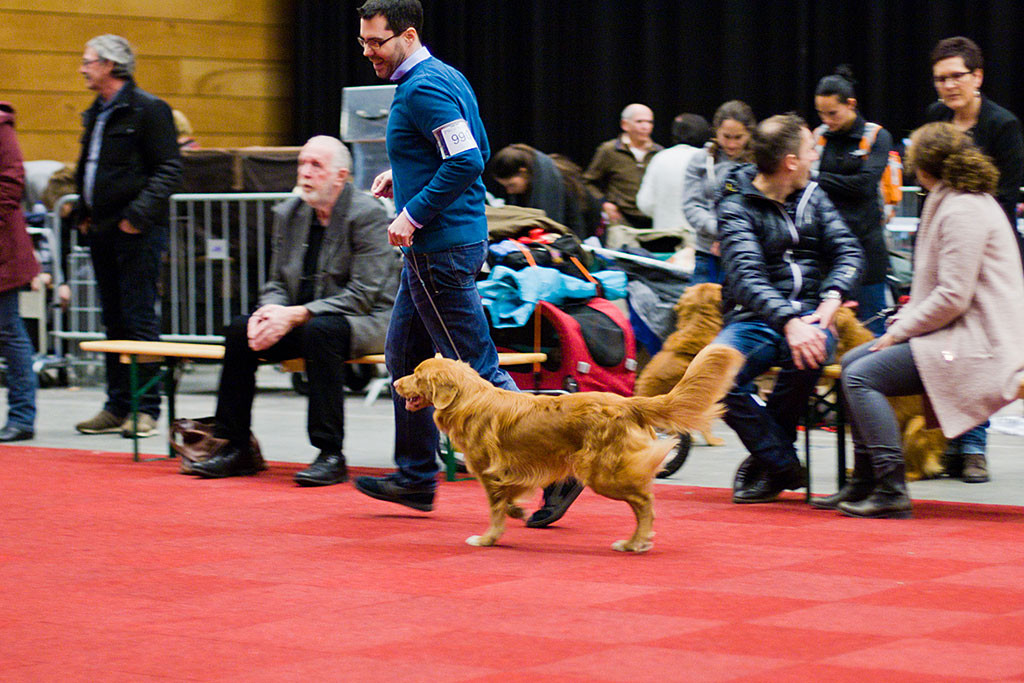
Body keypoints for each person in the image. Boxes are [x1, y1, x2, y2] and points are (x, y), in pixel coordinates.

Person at [351, 0, 519, 512]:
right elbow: (474, 149)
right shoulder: (444, 76)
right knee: (404, 357)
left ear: (406, 35)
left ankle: (554, 467)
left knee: (478, 371)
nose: (368, 52)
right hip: (447, 244)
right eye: (363, 42)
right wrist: (401, 180)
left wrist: (413, 211)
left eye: (376, 42)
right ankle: (417, 476)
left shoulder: (422, 88)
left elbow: (466, 159)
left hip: (439, 249)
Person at [818, 122, 1024, 518]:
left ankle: (892, 489)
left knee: (862, 377)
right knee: (851, 365)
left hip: (980, 343)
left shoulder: (963, 207)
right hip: (959, 333)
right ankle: (862, 482)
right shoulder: (955, 199)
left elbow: (952, 296)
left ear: (925, 168)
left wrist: (898, 332)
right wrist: (900, 327)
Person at [188, 136, 398, 484]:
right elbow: (277, 283)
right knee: (240, 331)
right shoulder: (291, 212)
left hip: (368, 319)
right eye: (302, 163)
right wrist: (270, 311)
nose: (305, 172)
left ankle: (330, 453)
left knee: (322, 332)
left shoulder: (367, 214)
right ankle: (235, 446)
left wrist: (296, 314)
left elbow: (364, 294)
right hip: (307, 317)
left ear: (340, 176)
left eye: (316, 165)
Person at [713, 114, 864, 504]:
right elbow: (747, 278)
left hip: (815, 315)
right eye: (809, 149)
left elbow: (849, 251)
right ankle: (783, 464)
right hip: (755, 319)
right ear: (790, 162)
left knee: (808, 355)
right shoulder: (734, 204)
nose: (816, 156)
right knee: (715, 379)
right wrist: (788, 321)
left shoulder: (814, 195)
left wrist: (831, 299)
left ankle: (767, 462)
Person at [71, 35, 182, 439]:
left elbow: (169, 169)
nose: (82, 68)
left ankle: (146, 408)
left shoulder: (149, 110)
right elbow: (91, 167)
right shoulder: (96, 113)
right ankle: (117, 405)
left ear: (109, 65)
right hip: (102, 231)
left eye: (88, 62)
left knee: (139, 320)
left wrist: (136, 218)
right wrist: (83, 212)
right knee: (113, 320)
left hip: (136, 233)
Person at [925, 36, 1024, 482]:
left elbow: (1004, 197)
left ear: (977, 77)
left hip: (988, 255)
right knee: (941, 350)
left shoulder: (1003, 126)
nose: (947, 86)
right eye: (940, 79)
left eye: (955, 77)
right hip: (943, 248)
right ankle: (945, 442)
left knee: (978, 353)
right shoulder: (934, 119)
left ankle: (975, 448)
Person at [813, 66, 894, 336]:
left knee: (873, 325)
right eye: (821, 114)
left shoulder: (876, 136)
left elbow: (864, 185)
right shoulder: (818, 137)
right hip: (827, 250)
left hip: (868, 246)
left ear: (851, 104)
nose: (827, 120)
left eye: (832, 113)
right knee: (825, 327)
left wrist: (819, 177)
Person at [682, 100, 756, 284]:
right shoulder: (700, 160)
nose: (731, 144)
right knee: (700, 310)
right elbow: (691, 205)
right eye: (726, 136)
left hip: (745, 253)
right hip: (707, 252)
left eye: (738, 137)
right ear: (716, 131)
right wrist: (718, 230)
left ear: (749, 133)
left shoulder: (759, 162)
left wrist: (732, 234)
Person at [0, 102, 39, 442]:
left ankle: (22, 416)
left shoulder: (1, 125)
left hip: (3, 251)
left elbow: (11, 182)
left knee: (9, 331)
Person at [582, 103, 662, 231]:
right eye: (639, 121)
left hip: (653, 221)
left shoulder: (659, 153)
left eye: (649, 122)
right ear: (625, 124)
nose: (645, 127)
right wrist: (604, 204)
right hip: (621, 221)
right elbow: (588, 182)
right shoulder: (610, 150)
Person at [635, 112, 711, 247]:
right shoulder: (707, 159)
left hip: (664, 240)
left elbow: (644, 203)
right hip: (700, 243)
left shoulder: (660, 158)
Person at [489, 143, 592, 239]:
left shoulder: (560, 183)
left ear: (523, 172)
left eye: (511, 185)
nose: (509, 191)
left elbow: (577, 224)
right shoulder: (534, 181)